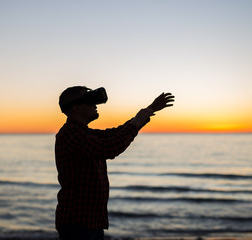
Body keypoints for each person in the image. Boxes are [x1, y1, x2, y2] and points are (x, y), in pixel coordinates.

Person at [55, 86, 174, 240]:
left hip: (90, 222)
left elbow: (114, 133)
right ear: (76, 108)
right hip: (77, 223)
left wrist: (149, 110)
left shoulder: (84, 132)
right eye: (90, 101)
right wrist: (138, 120)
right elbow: (109, 148)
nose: (95, 105)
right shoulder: (70, 134)